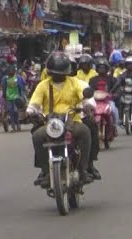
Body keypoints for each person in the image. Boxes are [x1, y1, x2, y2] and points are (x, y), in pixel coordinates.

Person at [28, 52, 97, 186]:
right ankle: (46, 171)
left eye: (60, 73)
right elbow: (34, 103)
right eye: (54, 73)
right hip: (50, 123)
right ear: (49, 72)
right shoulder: (42, 85)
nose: (57, 75)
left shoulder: (76, 83)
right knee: (37, 136)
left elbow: (86, 95)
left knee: (85, 132)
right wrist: (30, 112)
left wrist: (88, 105)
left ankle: (84, 168)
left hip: (72, 120)